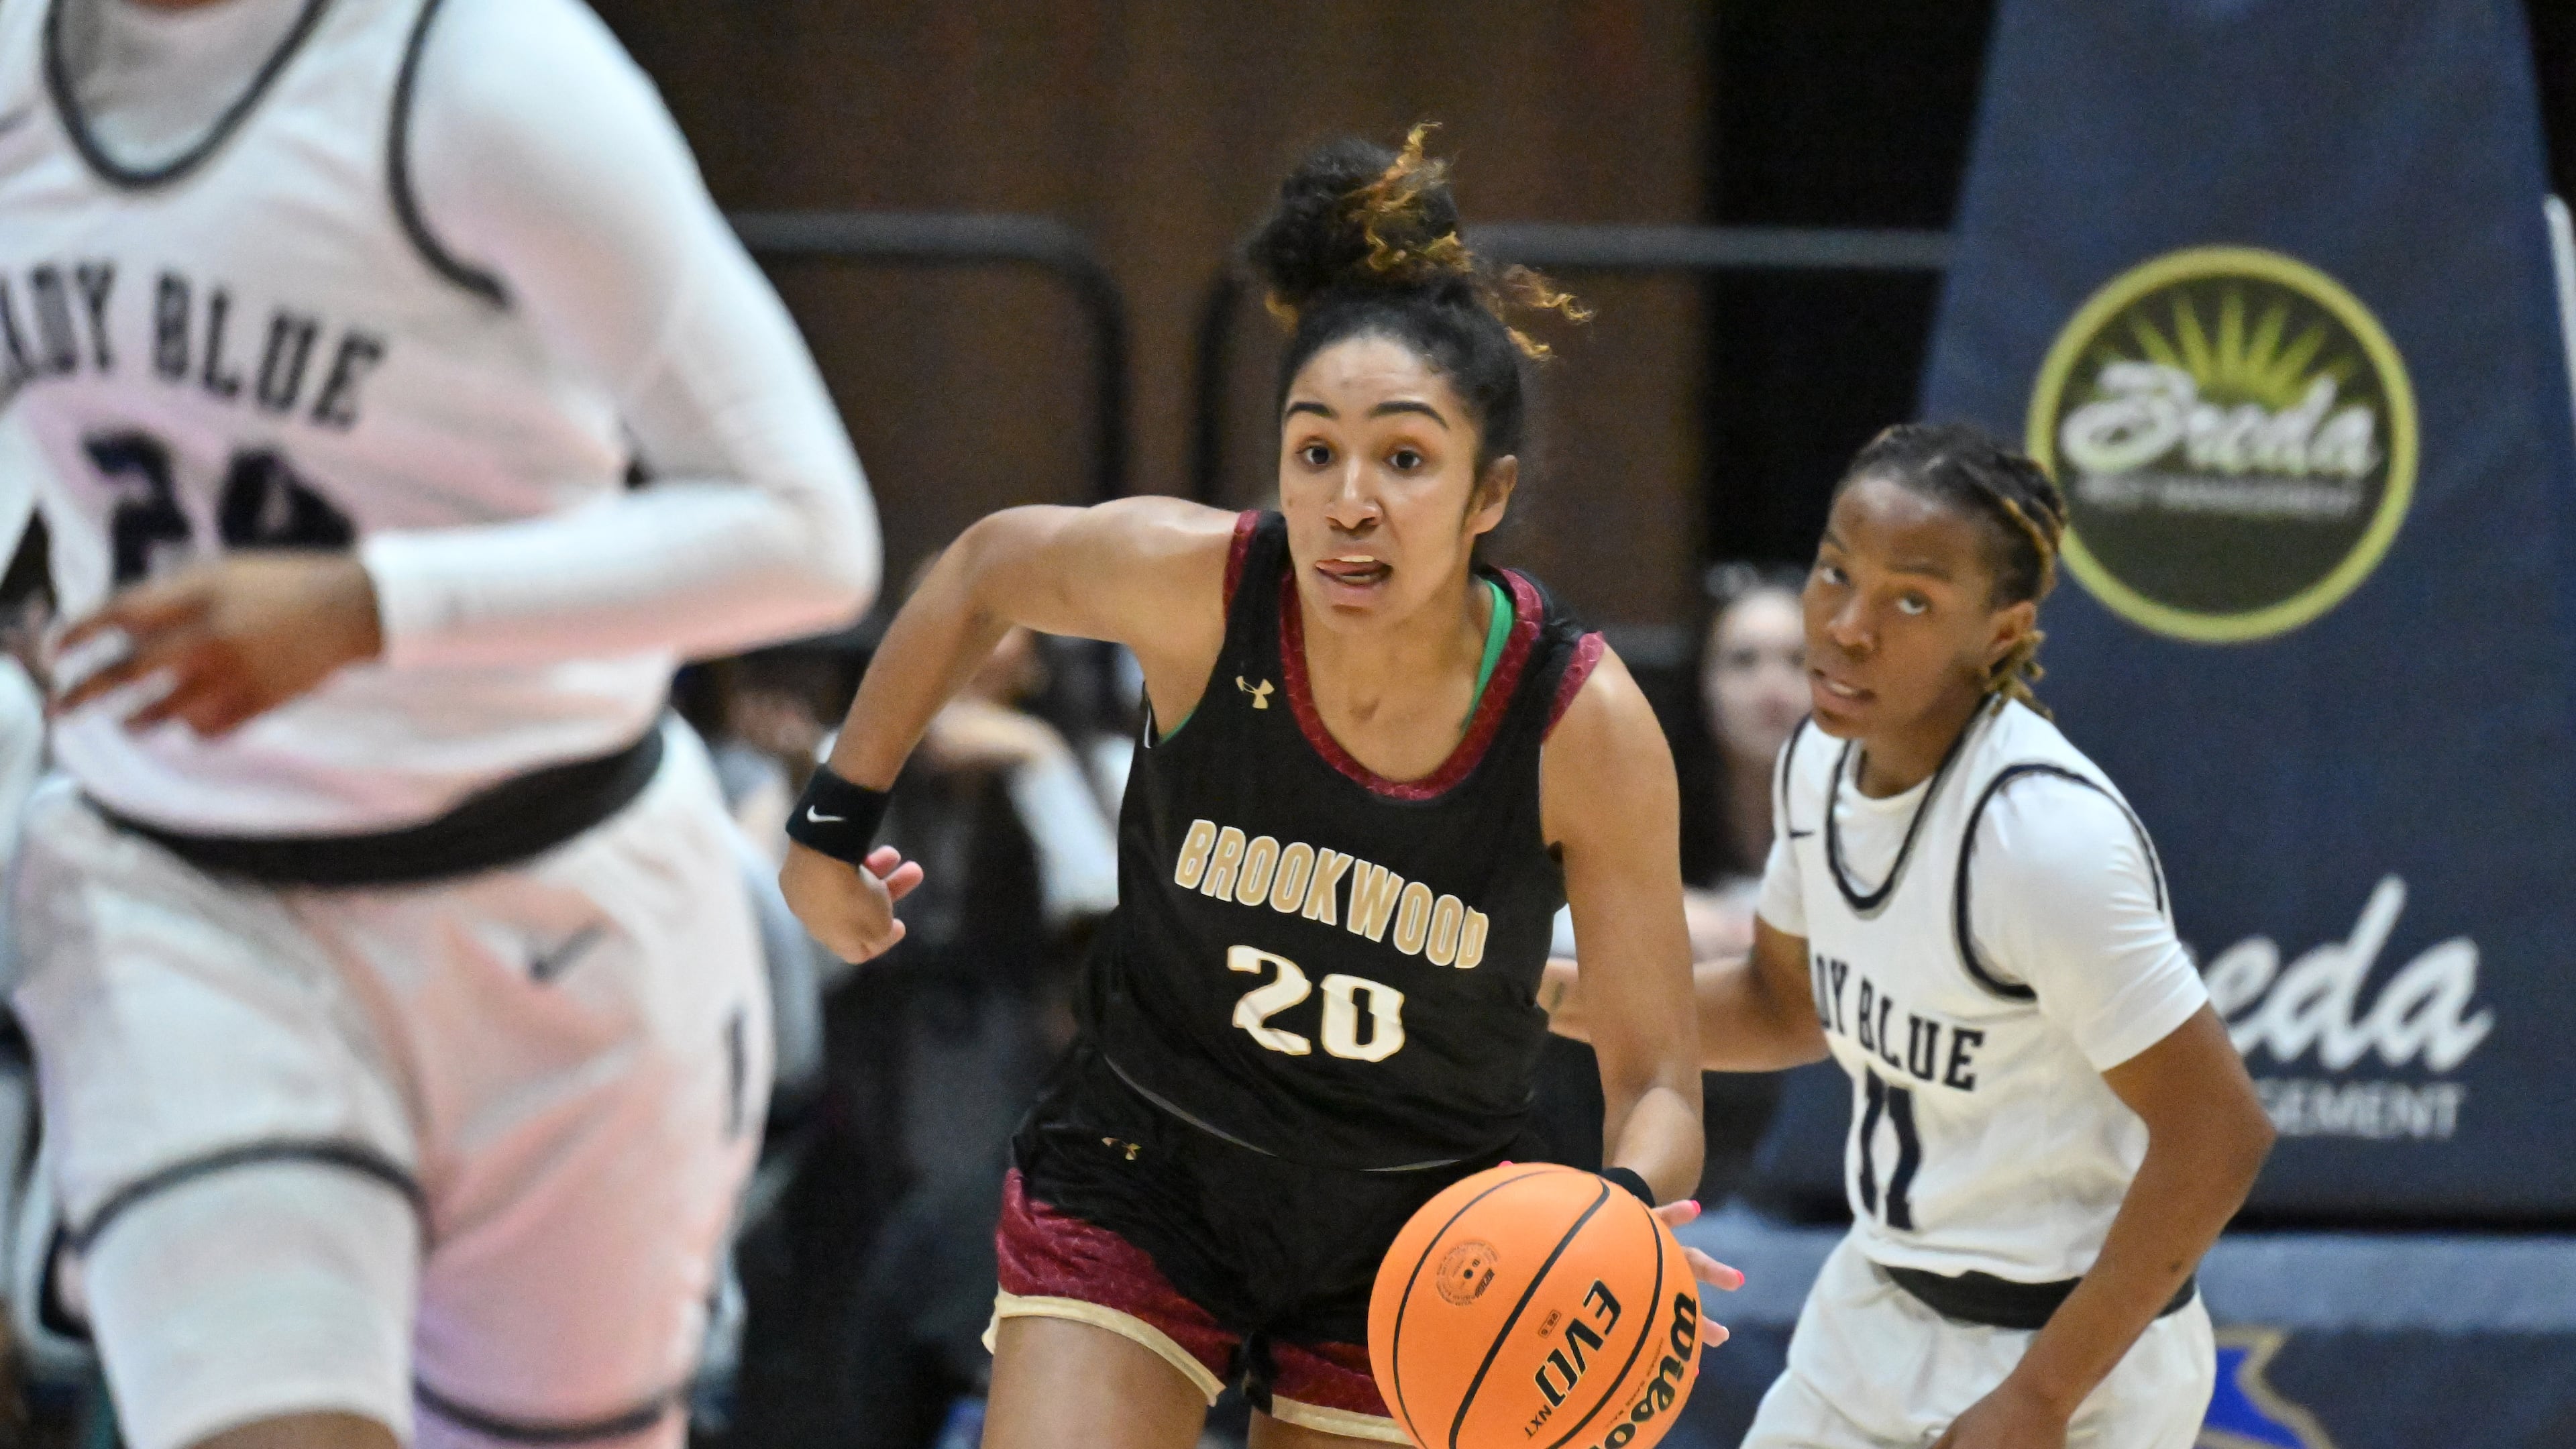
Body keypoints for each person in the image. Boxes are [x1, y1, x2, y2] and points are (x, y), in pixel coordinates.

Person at [0, 1, 882, 1447]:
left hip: (556, 906)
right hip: (176, 902)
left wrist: (371, 607)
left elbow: (809, 533)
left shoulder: (485, 73)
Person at [780, 127, 1735, 1449]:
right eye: (1314, 452)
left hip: (1414, 1229)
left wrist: (1618, 1210)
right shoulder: (1205, 592)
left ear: (1486, 495)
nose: (1351, 502)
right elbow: (986, 565)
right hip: (1146, 1166)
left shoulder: (1583, 724)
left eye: (1404, 460)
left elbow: (1659, 1075)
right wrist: (832, 824)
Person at [1547, 423, 2273, 1448]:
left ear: (2002, 628)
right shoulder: (1820, 761)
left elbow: (2220, 1133)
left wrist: (2040, 1399)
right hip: (1876, 1315)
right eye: (1836, 574)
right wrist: (1542, 997)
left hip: (2075, 1356)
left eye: (1913, 601)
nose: (1846, 627)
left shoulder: (2044, 840)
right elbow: (1784, 1006)